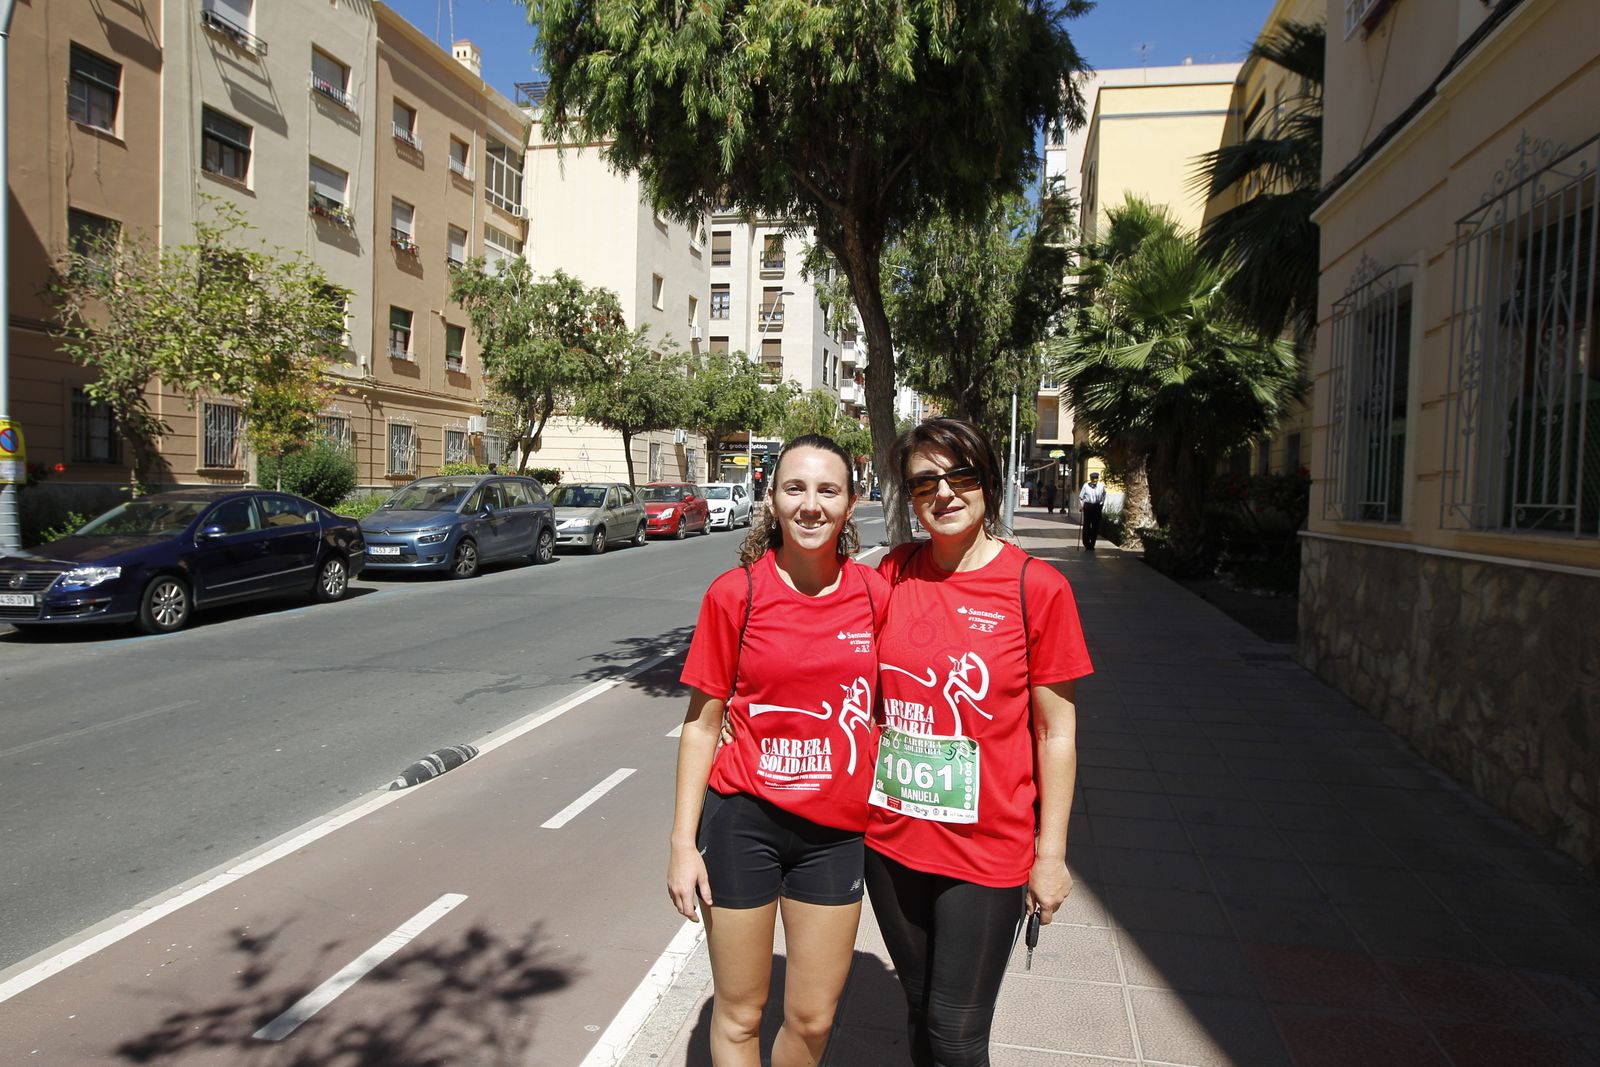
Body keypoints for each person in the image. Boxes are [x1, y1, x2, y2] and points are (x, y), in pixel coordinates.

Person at [868, 418, 1092, 1067]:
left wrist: (1051, 854)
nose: (944, 492)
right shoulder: (891, 572)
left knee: (956, 1033)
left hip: (986, 848)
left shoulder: (1037, 588)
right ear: (910, 496)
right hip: (891, 840)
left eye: (960, 475)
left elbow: (1056, 731)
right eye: (924, 481)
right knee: (917, 1008)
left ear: (987, 480)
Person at [669, 433, 890, 1067]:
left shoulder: (874, 596)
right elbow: (702, 725)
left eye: (828, 490)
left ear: (851, 504)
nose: (811, 505)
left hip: (837, 832)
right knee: (740, 1013)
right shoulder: (734, 594)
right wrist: (683, 844)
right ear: (771, 500)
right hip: (743, 822)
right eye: (795, 488)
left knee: (814, 1018)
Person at [1079, 471, 1106, 550]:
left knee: (1095, 526)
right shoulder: (1086, 486)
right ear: (1090, 479)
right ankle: (1086, 543)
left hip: (1097, 507)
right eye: (1093, 478)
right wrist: (1081, 505)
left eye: (1096, 478)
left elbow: (1104, 495)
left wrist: (1102, 503)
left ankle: (1092, 544)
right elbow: (1081, 497)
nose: (1095, 480)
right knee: (1087, 526)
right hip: (1088, 506)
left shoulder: (1101, 486)